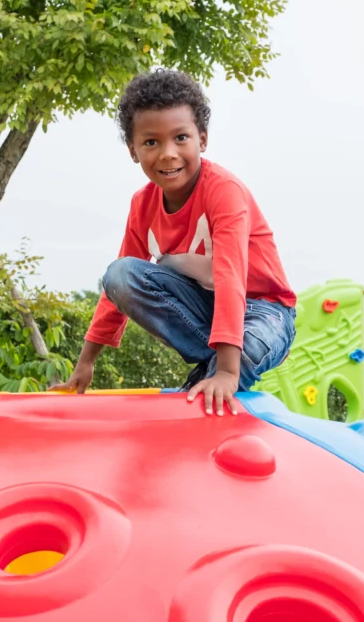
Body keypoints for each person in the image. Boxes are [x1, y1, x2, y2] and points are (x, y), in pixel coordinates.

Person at [58, 69, 297, 416]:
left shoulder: (223, 191)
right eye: (151, 142)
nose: (168, 154)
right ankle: (213, 367)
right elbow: (116, 292)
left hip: (264, 310)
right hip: (206, 312)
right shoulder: (143, 206)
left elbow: (230, 275)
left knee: (246, 351)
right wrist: (85, 364)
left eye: (181, 138)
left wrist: (229, 373)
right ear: (133, 150)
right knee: (121, 274)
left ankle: (219, 369)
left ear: (202, 139)